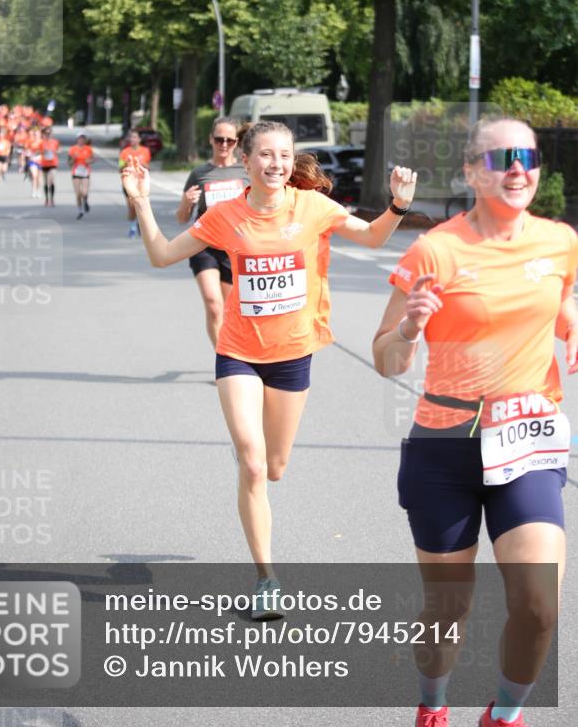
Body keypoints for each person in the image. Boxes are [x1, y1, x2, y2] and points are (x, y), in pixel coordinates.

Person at [122, 119, 417, 618]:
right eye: (265, 154)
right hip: (238, 352)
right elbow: (162, 255)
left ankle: (254, 466)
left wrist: (398, 205)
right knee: (254, 465)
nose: (276, 164)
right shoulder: (225, 215)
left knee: (275, 468)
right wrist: (142, 201)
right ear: (246, 160)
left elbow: (371, 238)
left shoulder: (312, 207)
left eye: (284, 155)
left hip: (292, 355)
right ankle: (267, 578)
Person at [372, 117, 577, 727]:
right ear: (470, 171)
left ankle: (503, 716)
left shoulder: (560, 241)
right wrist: (409, 327)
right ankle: (433, 706)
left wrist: (572, 324)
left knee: (538, 606)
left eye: (527, 157)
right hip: (446, 446)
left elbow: (562, 298)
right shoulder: (437, 250)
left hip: (527, 442)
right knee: (448, 609)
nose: (517, 168)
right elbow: (385, 358)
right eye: (501, 157)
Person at [176, 117, 248, 348]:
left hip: (234, 248)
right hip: (204, 245)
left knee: (230, 309)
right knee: (213, 304)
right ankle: (222, 358)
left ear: (236, 142)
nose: (224, 145)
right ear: (211, 140)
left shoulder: (245, 171)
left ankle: (234, 352)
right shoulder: (199, 173)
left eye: (229, 140)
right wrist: (186, 202)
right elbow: (182, 218)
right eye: (219, 139)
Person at [119, 129, 152, 237]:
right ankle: (134, 223)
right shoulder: (125, 152)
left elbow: (148, 168)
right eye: (131, 137)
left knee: (139, 205)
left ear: (139, 139)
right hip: (128, 183)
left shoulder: (145, 151)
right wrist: (126, 164)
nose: (132, 139)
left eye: (134, 137)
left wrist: (142, 163)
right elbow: (120, 168)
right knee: (132, 207)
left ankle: (135, 226)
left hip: (140, 183)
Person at [68, 133, 94, 219]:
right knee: (78, 193)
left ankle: (85, 201)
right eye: (80, 138)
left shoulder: (88, 149)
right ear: (77, 140)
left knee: (84, 192)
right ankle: (80, 210)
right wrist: (73, 159)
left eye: (83, 138)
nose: (81, 140)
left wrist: (89, 161)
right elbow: (69, 163)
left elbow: (93, 159)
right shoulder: (72, 149)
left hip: (85, 172)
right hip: (76, 173)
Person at [39, 126, 60, 207]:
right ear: (43, 134)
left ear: (51, 134)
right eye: (46, 133)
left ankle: (52, 199)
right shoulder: (41, 143)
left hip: (53, 164)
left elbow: (58, 150)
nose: (48, 135)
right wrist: (43, 151)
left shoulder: (55, 142)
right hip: (44, 164)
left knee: (51, 181)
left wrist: (55, 151)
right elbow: (39, 152)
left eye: (49, 133)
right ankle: (47, 199)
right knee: (45, 182)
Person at [26, 126, 43, 199]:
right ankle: (33, 191)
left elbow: (45, 152)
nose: (36, 134)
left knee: (39, 178)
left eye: (37, 133)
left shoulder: (42, 142)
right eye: (35, 133)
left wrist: (39, 154)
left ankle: (38, 190)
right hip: (32, 161)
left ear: (40, 134)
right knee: (34, 175)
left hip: (41, 161)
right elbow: (27, 150)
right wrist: (29, 154)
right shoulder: (30, 141)